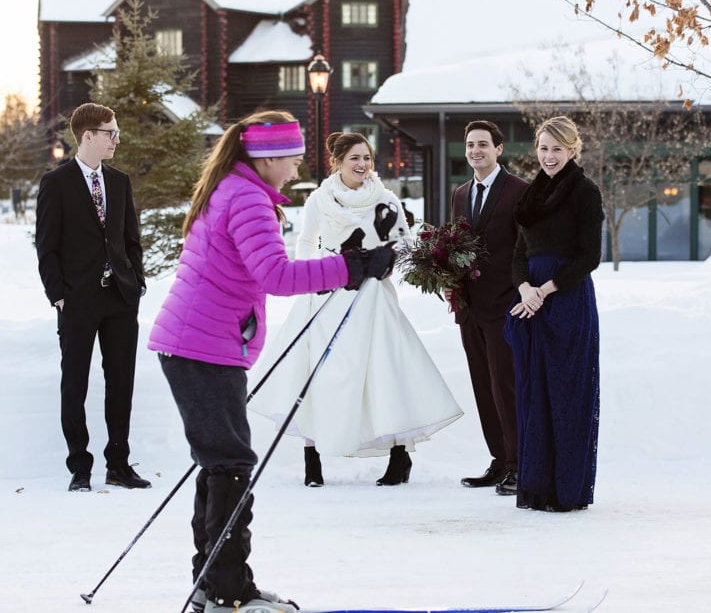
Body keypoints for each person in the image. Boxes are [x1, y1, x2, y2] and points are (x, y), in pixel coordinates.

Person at [147, 112, 395, 613]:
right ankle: (227, 591)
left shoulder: (233, 189)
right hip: (202, 347)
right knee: (231, 466)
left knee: (222, 463)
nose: (297, 169)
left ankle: (214, 584)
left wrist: (344, 264)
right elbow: (275, 276)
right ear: (267, 158)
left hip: (201, 344)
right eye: (292, 159)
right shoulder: (247, 198)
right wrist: (351, 268)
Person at [248, 132, 462, 487]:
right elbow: (306, 242)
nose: (362, 165)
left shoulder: (386, 199)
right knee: (318, 372)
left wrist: (388, 262)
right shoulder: (320, 199)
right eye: (354, 158)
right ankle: (312, 458)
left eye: (367, 158)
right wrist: (311, 278)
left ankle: (399, 456)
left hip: (372, 296)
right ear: (338, 162)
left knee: (383, 373)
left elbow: (403, 244)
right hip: (327, 293)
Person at [35, 102, 150, 493]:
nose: (117, 139)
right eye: (110, 133)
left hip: (120, 299)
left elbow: (131, 240)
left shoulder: (119, 182)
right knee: (75, 384)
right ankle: (79, 467)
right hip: (77, 301)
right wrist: (58, 296)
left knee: (121, 383)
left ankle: (118, 465)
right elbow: (46, 247)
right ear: (88, 136)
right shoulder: (57, 183)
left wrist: (136, 282)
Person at [506, 116, 603, 512]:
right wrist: (525, 289)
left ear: (572, 150)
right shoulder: (532, 196)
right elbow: (519, 254)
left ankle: (566, 491)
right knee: (535, 394)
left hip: (567, 302)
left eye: (557, 149)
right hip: (532, 304)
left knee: (567, 394)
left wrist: (545, 290)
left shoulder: (585, 192)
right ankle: (538, 487)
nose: (549, 156)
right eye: (543, 148)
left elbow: (589, 257)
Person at [446, 120, 529, 496]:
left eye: (482, 144)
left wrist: (520, 294)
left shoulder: (519, 191)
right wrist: (446, 275)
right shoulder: (461, 193)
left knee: (505, 385)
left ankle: (520, 464)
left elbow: (524, 249)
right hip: (469, 307)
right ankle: (499, 460)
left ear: (498, 149)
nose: (475, 150)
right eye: (470, 145)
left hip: (506, 305)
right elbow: (456, 244)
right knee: (482, 385)